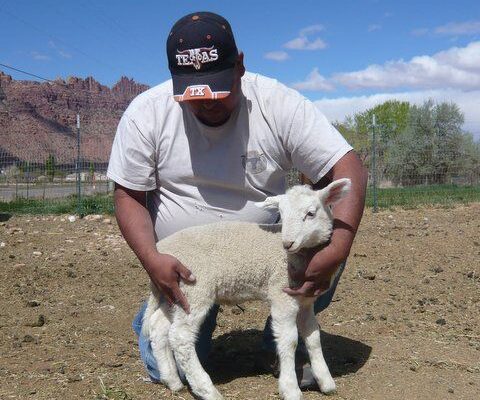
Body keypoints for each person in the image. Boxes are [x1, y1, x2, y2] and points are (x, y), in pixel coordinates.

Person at [107, 11, 368, 389]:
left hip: (266, 250)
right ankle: (160, 311)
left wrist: (337, 249)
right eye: (193, 93)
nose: (207, 103)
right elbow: (128, 195)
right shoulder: (146, 113)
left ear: (239, 66)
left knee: (323, 233)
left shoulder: (277, 103)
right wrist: (152, 259)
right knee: (166, 365)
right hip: (189, 262)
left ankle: (279, 347)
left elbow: (348, 167)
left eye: (217, 88)